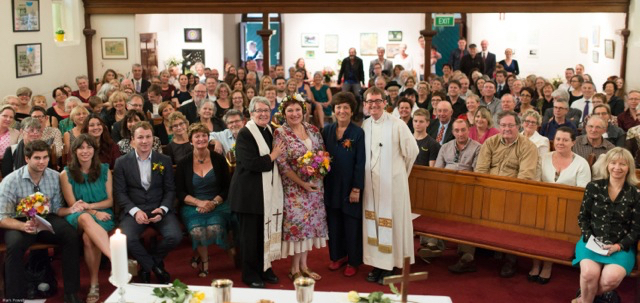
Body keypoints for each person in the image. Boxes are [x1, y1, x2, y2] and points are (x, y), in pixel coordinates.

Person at [0, 140, 81, 302]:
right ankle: (15, 297)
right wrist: (23, 226)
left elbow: (57, 208)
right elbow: (2, 217)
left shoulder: (55, 177)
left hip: (46, 218)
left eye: (45, 157)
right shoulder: (11, 180)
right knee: (14, 245)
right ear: (27, 159)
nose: (42, 162)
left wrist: (71, 209)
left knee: (71, 235)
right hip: (18, 221)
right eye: (37, 158)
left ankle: (71, 293)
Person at [361, 87, 419, 284]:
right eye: (370, 102)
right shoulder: (365, 125)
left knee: (392, 223)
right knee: (374, 222)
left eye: (378, 101)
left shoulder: (397, 125)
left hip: (393, 185)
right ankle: (378, 264)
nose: (374, 105)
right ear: (365, 105)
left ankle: (392, 265)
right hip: (372, 185)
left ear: (385, 103)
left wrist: (399, 175)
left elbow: (412, 152)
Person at [113, 121, 182, 284]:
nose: (144, 141)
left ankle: (146, 266)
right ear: (132, 140)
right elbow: (120, 193)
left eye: (148, 137)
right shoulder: (121, 162)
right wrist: (134, 211)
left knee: (175, 236)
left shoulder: (163, 160)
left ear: (153, 138)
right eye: (140, 137)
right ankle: (155, 266)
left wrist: (163, 209)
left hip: (159, 208)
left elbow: (170, 190)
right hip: (135, 210)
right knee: (127, 238)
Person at [228, 96, 285, 288]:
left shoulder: (268, 129)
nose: (263, 114)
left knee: (264, 233)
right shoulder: (245, 133)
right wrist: (273, 156)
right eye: (258, 111)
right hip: (248, 195)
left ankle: (265, 267)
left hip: (264, 193)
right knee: (250, 238)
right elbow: (251, 163)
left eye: (266, 110)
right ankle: (250, 274)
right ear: (251, 114)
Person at [571, 148, 640, 303]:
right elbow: (583, 217)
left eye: (622, 164)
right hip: (592, 241)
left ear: (629, 167)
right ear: (607, 165)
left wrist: (618, 246)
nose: (617, 167)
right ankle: (586, 300)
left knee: (610, 279)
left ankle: (583, 297)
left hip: (620, 246)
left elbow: (636, 229)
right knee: (589, 274)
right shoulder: (593, 187)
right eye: (613, 163)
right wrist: (590, 239)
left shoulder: (635, 194)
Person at [475, 111, 538, 278]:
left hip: (514, 194)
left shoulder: (528, 146)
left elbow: (525, 177)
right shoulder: (490, 142)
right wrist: (488, 191)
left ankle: (511, 258)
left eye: (511, 125)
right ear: (498, 126)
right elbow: (481, 170)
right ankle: (468, 254)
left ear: (518, 126)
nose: (506, 129)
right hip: (488, 190)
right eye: (503, 125)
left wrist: (504, 193)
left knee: (513, 215)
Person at [528, 127, 591, 285]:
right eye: (557, 139)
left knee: (552, 223)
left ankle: (548, 264)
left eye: (565, 140)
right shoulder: (544, 158)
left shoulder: (581, 163)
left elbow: (582, 194)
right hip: (541, 204)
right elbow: (535, 182)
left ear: (573, 142)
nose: (560, 143)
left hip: (568, 210)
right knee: (537, 223)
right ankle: (535, 263)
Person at [60, 134, 115, 303]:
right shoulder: (66, 173)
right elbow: (74, 205)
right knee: (83, 217)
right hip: (78, 216)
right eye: (81, 148)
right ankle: (116, 258)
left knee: (88, 239)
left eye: (89, 147)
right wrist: (94, 212)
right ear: (74, 151)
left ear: (94, 149)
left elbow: (110, 201)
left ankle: (94, 283)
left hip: (104, 213)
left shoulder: (105, 170)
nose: (85, 151)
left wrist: (93, 208)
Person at [176, 123, 232, 277]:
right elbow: (180, 192)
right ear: (190, 140)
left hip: (217, 203)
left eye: (204, 136)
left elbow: (227, 188)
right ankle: (205, 261)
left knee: (214, 228)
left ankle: (199, 255)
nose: (201, 139)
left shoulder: (219, 160)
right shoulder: (183, 163)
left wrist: (213, 203)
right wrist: (199, 203)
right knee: (198, 230)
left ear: (208, 138)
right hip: (192, 204)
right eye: (197, 136)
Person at [322, 92, 365, 277]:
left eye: (346, 107)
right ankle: (337, 256)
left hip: (349, 186)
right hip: (331, 184)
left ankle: (353, 260)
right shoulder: (327, 130)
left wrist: (356, 188)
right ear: (334, 109)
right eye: (339, 107)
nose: (342, 110)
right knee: (333, 223)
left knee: (351, 224)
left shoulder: (358, 132)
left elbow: (360, 162)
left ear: (352, 110)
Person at [432, 118, 481, 271]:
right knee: (432, 204)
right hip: (446, 188)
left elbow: (478, 172)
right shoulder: (445, 147)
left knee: (469, 215)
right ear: (452, 132)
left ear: (469, 130)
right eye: (457, 131)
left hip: (468, 190)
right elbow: (438, 171)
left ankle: (467, 254)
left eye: (463, 130)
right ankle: (433, 245)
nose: (460, 133)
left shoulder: (478, 147)